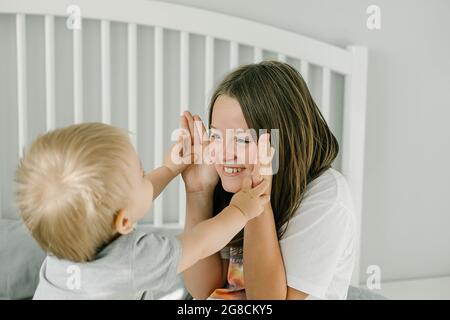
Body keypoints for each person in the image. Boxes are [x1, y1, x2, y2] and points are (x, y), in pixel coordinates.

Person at [15, 122, 269, 299]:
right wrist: (240, 210)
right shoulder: (135, 259)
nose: (147, 177)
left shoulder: (58, 246)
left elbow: (131, 200)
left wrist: (170, 170)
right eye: (141, 174)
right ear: (124, 221)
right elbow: (200, 242)